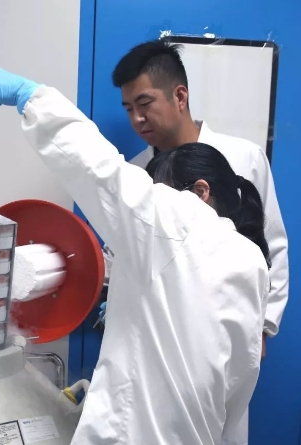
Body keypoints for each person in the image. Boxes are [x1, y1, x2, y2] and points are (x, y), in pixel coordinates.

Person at [0, 67, 270, 445]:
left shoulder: (176, 218)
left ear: (199, 192)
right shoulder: (251, 260)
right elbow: (238, 381)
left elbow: (102, 172)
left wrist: (33, 98)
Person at [108, 40, 289, 444]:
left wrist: (262, 327)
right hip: (157, 340)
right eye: (128, 109)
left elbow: (272, 245)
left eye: (144, 103)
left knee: (220, 428)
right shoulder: (135, 173)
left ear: (180, 96)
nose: (137, 119)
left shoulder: (243, 158)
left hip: (223, 335)